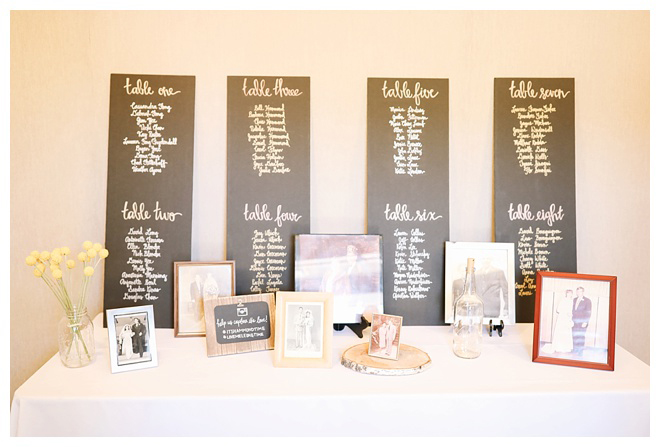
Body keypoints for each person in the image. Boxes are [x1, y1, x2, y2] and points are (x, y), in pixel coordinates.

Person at [572, 287, 592, 356]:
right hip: (574, 321)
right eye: (577, 291)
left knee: (581, 336)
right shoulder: (574, 299)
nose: (578, 293)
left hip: (582, 322)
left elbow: (588, 312)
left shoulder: (587, 301)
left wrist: (585, 322)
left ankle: (580, 351)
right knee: (575, 336)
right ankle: (575, 349)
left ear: (583, 292)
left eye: (580, 291)